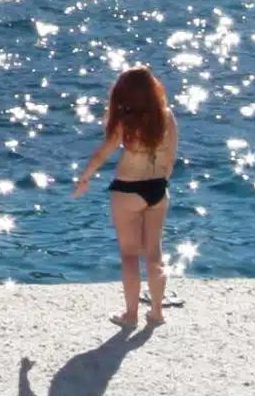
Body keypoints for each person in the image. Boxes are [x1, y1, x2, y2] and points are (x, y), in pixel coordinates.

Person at [73, 66, 179, 328]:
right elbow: (171, 157)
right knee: (155, 253)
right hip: (157, 187)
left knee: (130, 255)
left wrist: (84, 178)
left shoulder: (125, 121)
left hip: (128, 189)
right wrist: (162, 182)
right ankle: (156, 312)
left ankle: (130, 315)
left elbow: (102, 154)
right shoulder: (166, 116)